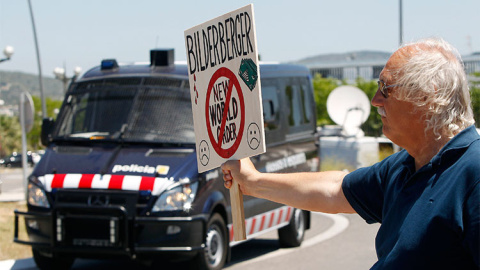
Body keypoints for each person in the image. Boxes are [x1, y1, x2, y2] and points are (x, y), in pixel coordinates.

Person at [222, 37, 479, 269]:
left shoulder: (474, 173)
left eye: (386, 88)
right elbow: (334, 190)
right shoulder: (405, 165)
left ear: (427, 97)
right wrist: (251, 182)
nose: (375, 100)